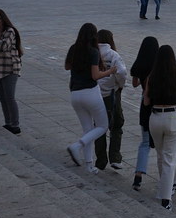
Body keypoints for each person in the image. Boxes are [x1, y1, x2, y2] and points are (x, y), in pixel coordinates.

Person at [65, 23, 118, 172]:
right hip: (90, 93)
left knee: (87, 129)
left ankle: (89, 165)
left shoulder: (73, 48)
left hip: (75, 93)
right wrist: (110, 71)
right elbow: (95, 76)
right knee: (103, 126)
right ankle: (77, 145)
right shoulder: (93, 51)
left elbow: (67, 66)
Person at [144, 44, 176, 210]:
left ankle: (164, 188)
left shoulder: (151, 77)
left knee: (161, 155)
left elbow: (146, 101)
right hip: (172, 116)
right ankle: (166, 197)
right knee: (170, 158)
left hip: (155, 117)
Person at [93, 29, 127, 170]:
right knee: (117, 123)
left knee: (99, 127)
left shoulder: (93, 53)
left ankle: (101, 160)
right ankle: (115, 157)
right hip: (111, 92)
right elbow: (122, 72)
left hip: (94, 93)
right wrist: (120, 85)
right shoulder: (113, 55)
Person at [130, 36, 159, 192]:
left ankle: (138, 177)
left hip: (144, 102)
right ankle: (171, 179)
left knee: (145, 142)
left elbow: (134, 84)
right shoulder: (158, 65)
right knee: (163, 145)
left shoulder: (139, 63)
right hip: (159, 103)